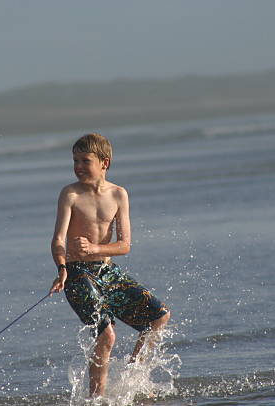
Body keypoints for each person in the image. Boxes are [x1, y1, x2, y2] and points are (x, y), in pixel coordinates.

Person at [49, 133, 170, 397]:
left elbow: (125, 245)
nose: (78, 166)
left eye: (85, 160)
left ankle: (133, 373)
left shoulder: (118, 194)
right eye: (75, 160)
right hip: (78, 274)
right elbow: (58, 239)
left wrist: (95, 248)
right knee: (107, 336)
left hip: (107, 271)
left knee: (159, 317)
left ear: (104, 162)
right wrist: (61, 268)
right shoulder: (69, 194)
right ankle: (97, 399)